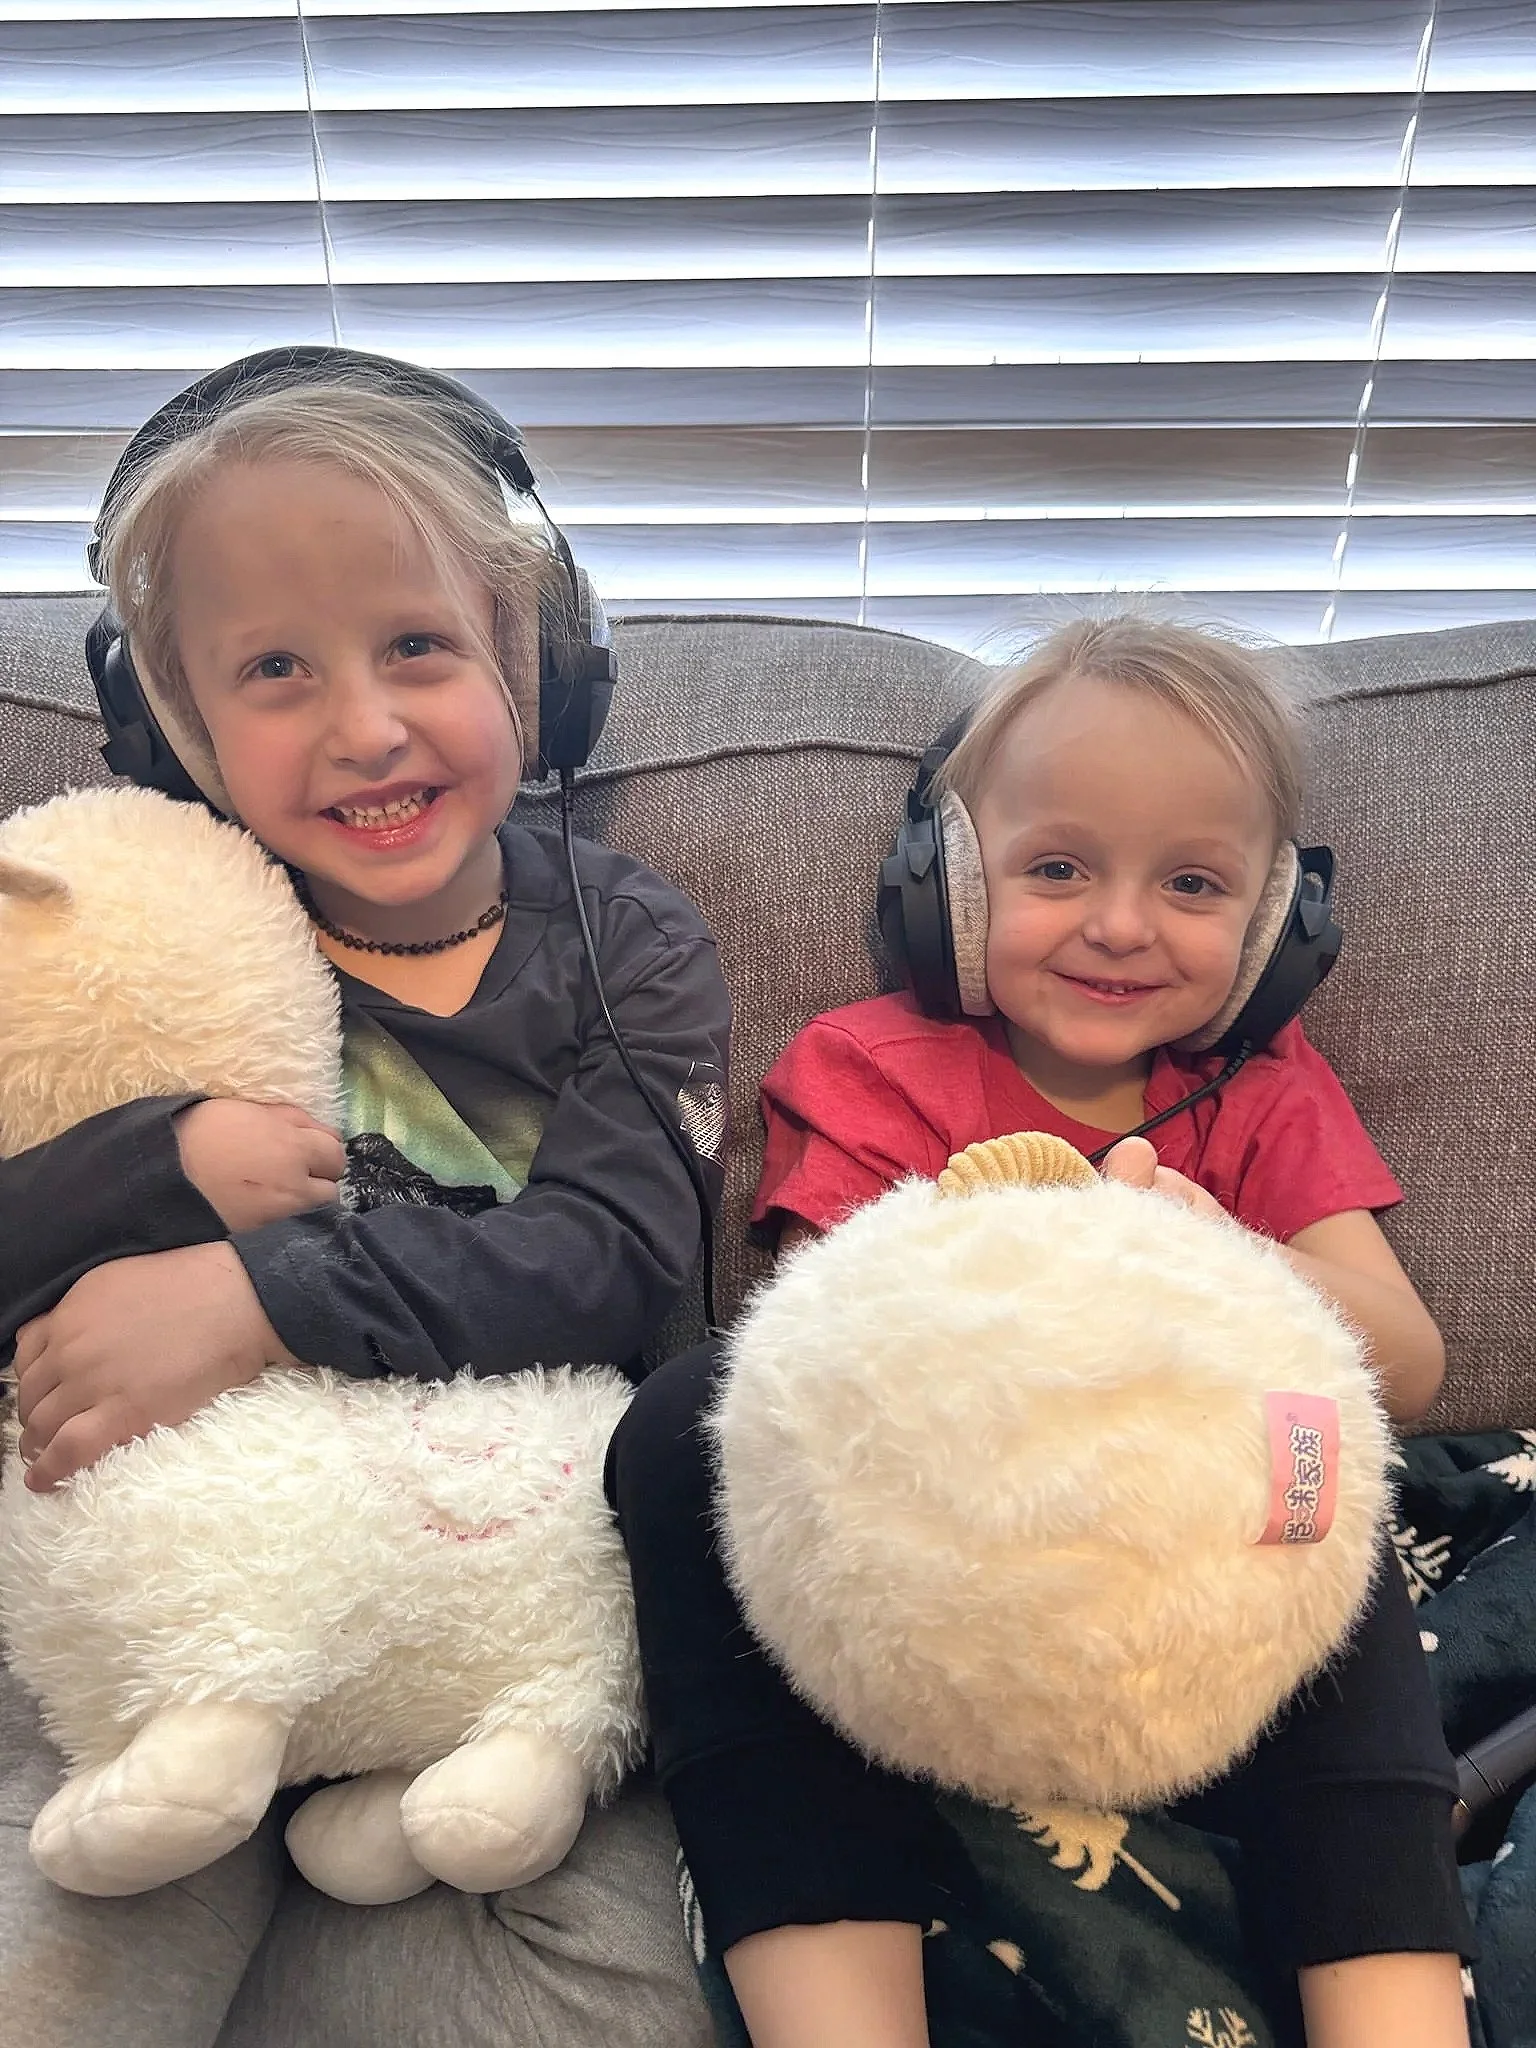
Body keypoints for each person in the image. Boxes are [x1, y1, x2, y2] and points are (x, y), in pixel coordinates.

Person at [607, 617, 1474, 2048]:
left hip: (1195, 1620)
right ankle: (838, 2007)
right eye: (1059, 868)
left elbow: (1409, 1362)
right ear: (949, 884)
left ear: (1272, 929)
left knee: (1320, 1449)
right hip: (929, 1606)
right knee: (684, 1424)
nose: (1122, 924)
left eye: (1192, 883)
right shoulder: (864, 1066)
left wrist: (1226, 1257)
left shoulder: (1263, 1091)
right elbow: (818, 1373)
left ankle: (1391, 2011)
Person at [0, 346, 727, 2048]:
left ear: (536, 665)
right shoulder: (134, 924)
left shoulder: (628, 943)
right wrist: (153, 1159)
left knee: (609, 2003)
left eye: (418, 645)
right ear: (163, 722)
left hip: (487, 1619)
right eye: (273, 669)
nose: (365, 723)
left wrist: (264, 1293)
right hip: (157, 1600)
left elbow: (625, 1267)